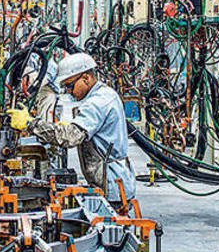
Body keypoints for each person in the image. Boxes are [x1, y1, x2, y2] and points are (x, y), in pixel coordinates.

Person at [11, 52, 136, 206]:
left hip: (112, 184)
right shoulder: (102, 94)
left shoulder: (98, 102)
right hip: (109, 180)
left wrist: (30, 124)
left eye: (70, 85)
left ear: (86, 78)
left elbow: (70, 137)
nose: (69, 91)